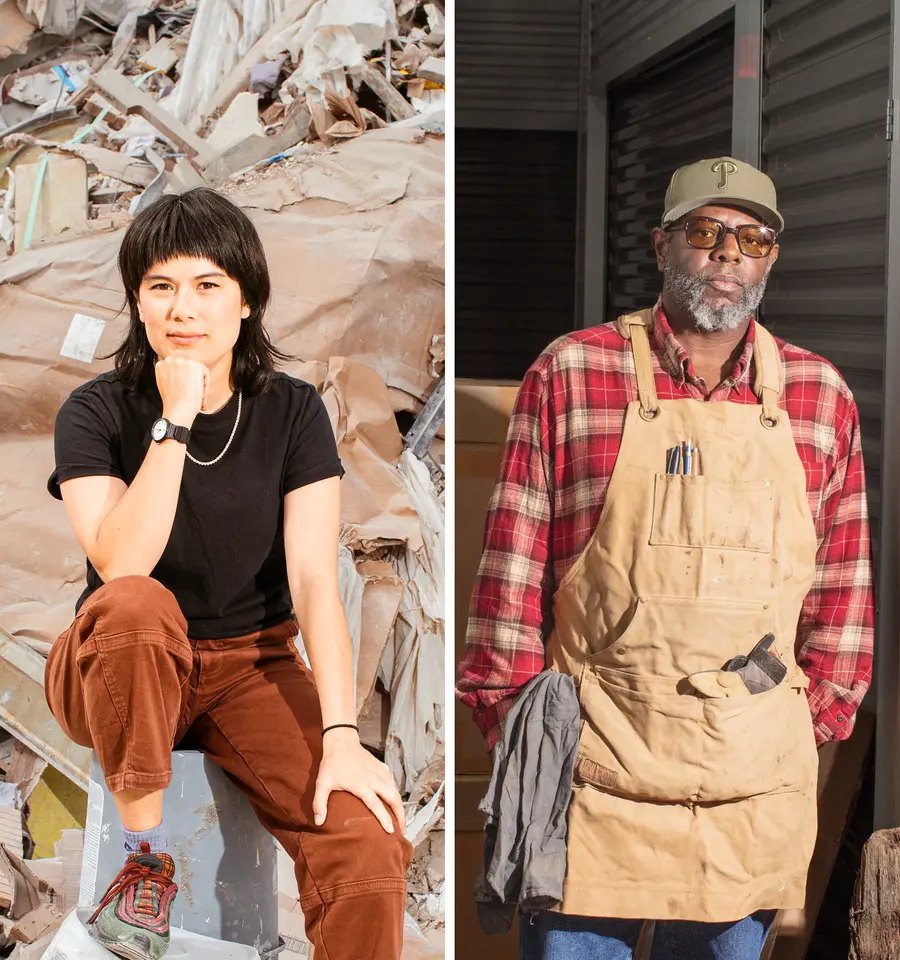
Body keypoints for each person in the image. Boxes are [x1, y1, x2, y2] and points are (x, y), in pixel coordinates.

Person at [457, 157, 875, 960]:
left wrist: (793, 726)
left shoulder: (821, 397)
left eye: (750, 238)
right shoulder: (574, 372)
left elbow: (842, 594)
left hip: (746, 793)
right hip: (595, 784)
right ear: (661, 245)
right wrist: (519, 731)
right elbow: (511, 572)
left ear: (770, 259)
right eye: (705, 233)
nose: (727, 253)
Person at [45, 187, 412, 960]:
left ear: (246, 301)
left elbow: (315, 581)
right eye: (161, 286)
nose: (185, 308)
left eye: (208, 285)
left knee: (366, 847)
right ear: (137, 302)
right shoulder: (97, 410)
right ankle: (142, 877)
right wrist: (173, 418)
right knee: (139, 605)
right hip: (117, 664)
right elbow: (121, 564)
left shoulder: (293, 412)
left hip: (251, 666)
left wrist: (342, 737)